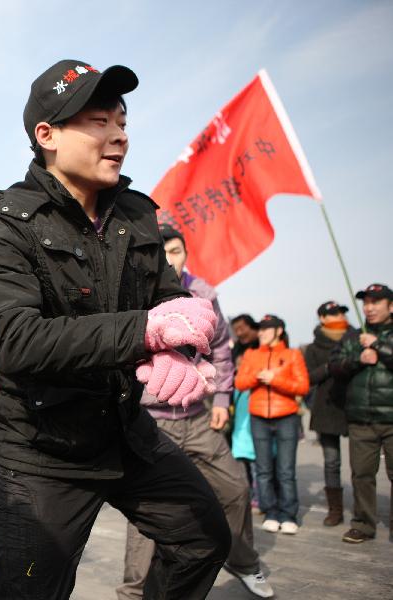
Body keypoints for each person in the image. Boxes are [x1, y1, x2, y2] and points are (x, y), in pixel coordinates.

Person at [0, 60, 228, 599]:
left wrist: (180, 338)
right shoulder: (5, 224)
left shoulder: (136, 213)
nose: (118, 136)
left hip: (126, 433)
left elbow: (167, 297)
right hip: (44, 450)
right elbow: (15, 340)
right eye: (98, 121)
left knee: (203, 537)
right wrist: (145, 333)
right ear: (47, 136)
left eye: (123, 122)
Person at [116, 226, 273, 599]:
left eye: (176, 251)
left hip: (198, 418)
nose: (170, 259)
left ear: (185, 253)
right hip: (152, 423)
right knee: (148, 512)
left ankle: (244, 562)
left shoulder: (204, 294)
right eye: (162, 252)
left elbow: (220, 349)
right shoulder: (135, 293)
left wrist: (220, 401)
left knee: (235, 489)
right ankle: (133, 591)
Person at [329, 283, 393, 543]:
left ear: (390, 306)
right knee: (362, 474)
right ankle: (364, 524)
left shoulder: (377, 337)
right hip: (361, 419)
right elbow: (335, 367)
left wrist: (379, 346)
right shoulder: (353, 335)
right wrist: (358, 359)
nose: (369, 307)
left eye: (376, 302)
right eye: (366, 302)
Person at [235, 314, 309, 535]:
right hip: (258, 417)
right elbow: (239, 382)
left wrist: (275, 379)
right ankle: (271, 512)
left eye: (267, 329)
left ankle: (288, 514)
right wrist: (258, 376)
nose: (262, 333)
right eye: (261, 329)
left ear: (278, 330)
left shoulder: (292, 355)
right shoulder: (251, 354)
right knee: (264, 470)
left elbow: (303, 386)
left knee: (285, 470)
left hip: (286, 417)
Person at [304, 301, 356, 527]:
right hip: (326, 408)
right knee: (332, 462)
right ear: (322, 318)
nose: (338, 316)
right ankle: (335, 509)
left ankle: (363, 509)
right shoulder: (315, 347)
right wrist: (329, 367)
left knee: (361, 464)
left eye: (341, 312)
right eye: (332, 313)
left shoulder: (356, 339)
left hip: (356, 406)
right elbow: (308, 378)